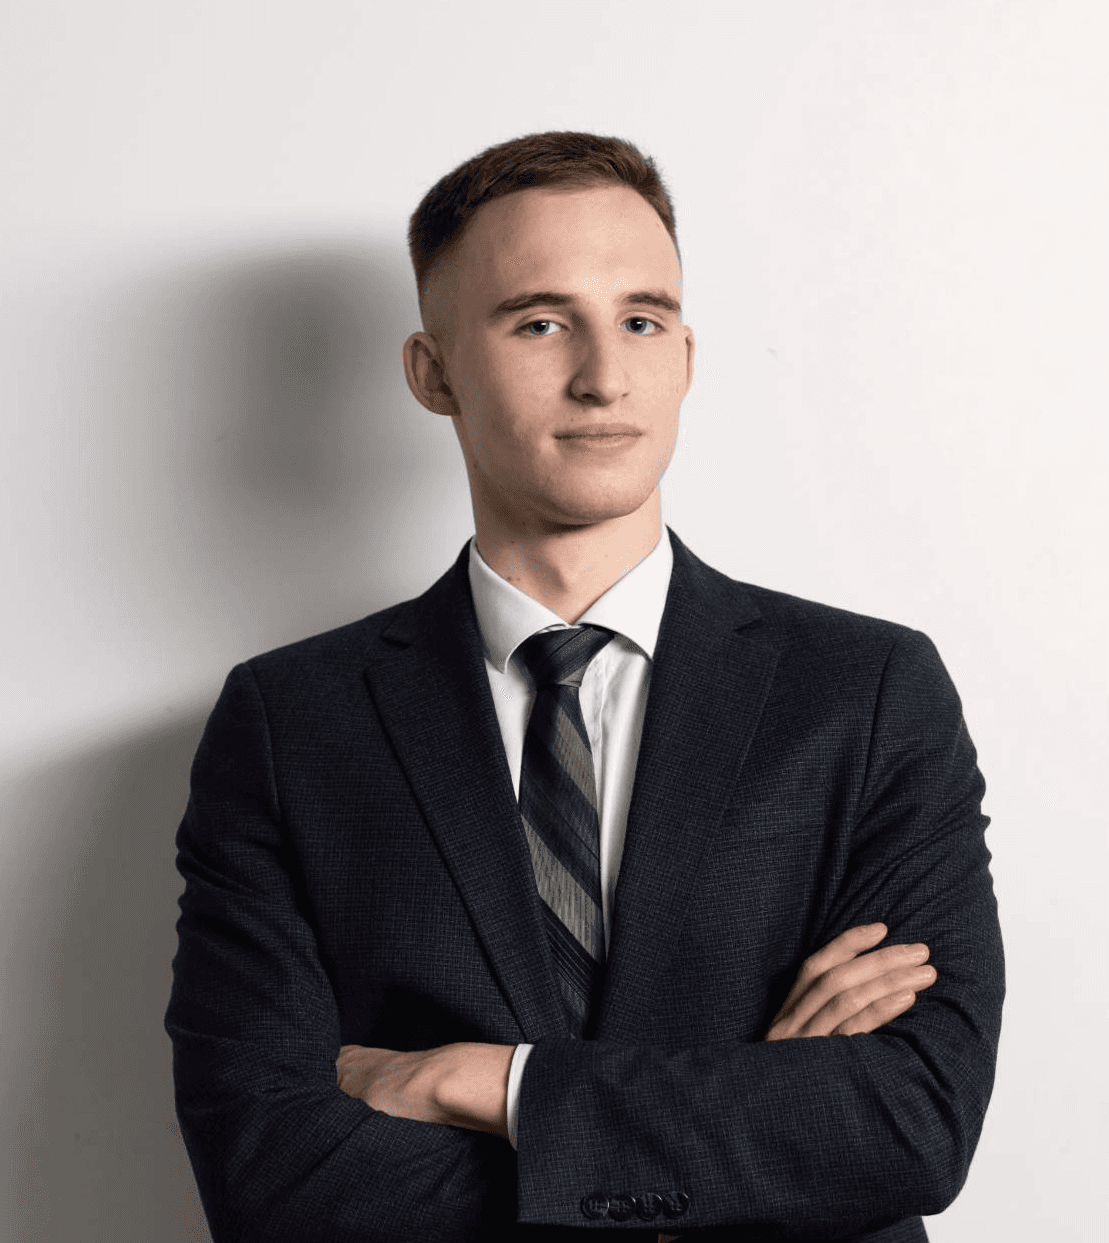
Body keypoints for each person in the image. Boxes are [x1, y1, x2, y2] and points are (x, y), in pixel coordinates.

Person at [166, 132, 1003, 1243]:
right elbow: (269, 1179)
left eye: (641, 320)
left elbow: (912, 1121)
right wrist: (751, 1124)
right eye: (539, 323)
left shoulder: (867, 692)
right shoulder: (290, 724)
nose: (604, 375)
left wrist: (481, 1082)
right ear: (432, 373)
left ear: (685, 357)